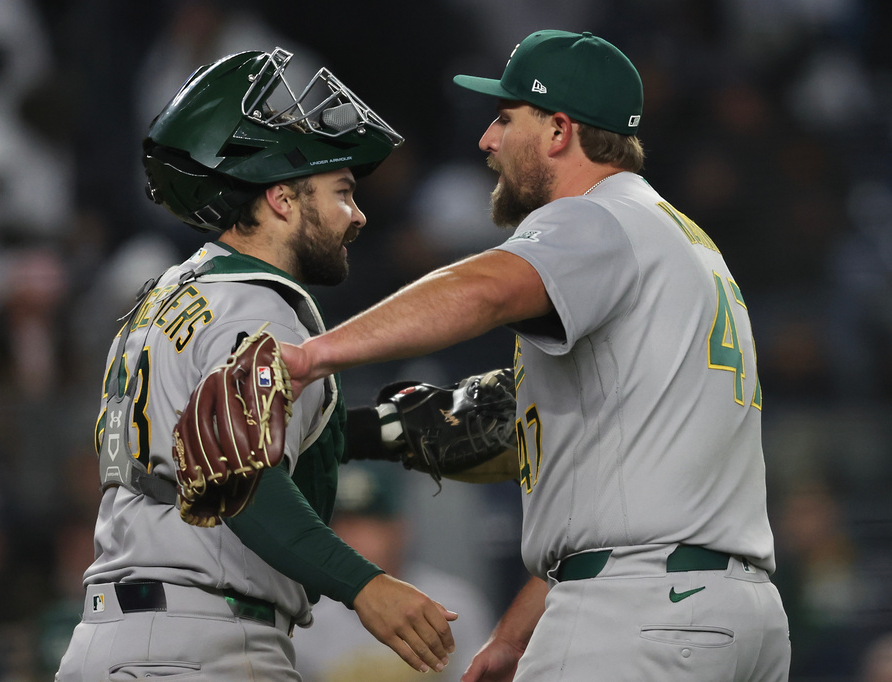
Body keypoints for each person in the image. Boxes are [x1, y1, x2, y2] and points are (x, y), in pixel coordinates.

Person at [281, 30, 792, 681]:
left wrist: (312, 354)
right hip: (734, 616)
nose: (486, 142)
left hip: (643, 617)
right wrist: (520, 633)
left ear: (558, 130)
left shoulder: (596, 217)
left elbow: (486, 289)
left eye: (504, 118)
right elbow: (608, 487)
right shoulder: (686, 245)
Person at [55, 48, 457, 681]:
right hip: (203, 641)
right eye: (342, 192)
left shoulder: (167, 294)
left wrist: (379, 431)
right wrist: (368, 587)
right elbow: (240, 479)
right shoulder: (255, 307)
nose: (358, 216)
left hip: (113, 636)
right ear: (280, 200)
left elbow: (201, 443)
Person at [295, 462, 495, 681]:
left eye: (367, 523)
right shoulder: (306, 618)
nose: (350, 536)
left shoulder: (454, 603)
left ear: (400, 529)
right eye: (341, 523)